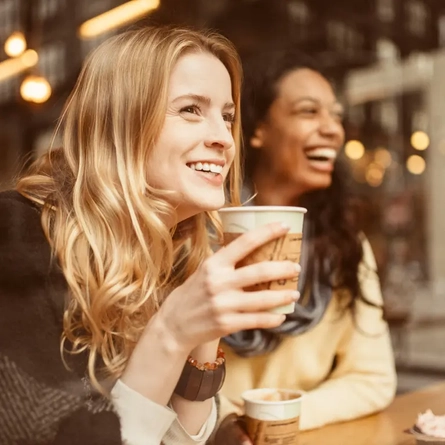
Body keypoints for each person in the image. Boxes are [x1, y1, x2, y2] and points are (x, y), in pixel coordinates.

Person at [0, 27, 302, 445]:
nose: (223, 138)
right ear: (121, 122)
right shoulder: (18, 237)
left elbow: (179, 440)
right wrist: (173, 331)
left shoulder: (173, 249)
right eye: (191, 110)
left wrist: (204, 334)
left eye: (227, 116)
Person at [211, 49, 397, 444]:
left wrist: (270, 418)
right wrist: (219, 423)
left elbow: (373, 379)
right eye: (309, 112)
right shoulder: (200, 235)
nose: (333, 129)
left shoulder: (347, 246)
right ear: (258, 129)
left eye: (336, 115)